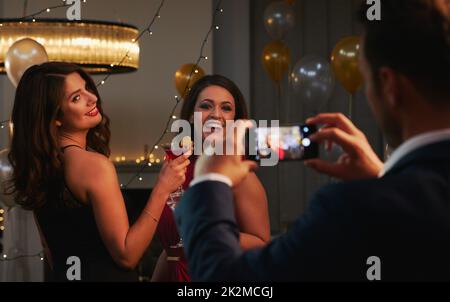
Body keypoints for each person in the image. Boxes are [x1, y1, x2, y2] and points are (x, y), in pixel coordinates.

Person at [175, 0, 450, 281]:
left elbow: (229, 280)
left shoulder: (347, 207)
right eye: (205, 106)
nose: (215, 116)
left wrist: (209, 181)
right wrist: (383, 178)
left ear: (390, 87)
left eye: (367, 82)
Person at [7, 62, 190, 281]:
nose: (92, 97)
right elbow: (127, 255)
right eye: (76, 97)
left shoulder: (40, 166)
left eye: (86, 88)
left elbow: (51, 252)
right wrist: (162, 188)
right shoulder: (94, 165)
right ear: (55, 117)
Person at [151, 75, 270, 282]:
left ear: (236, 120)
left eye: (226, 108)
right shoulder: (176, 168)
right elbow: (173, 249)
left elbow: (261, 243)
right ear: (190, 117)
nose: (216, 115)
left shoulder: (241, 175)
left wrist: (207, 231)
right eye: (206, 106)